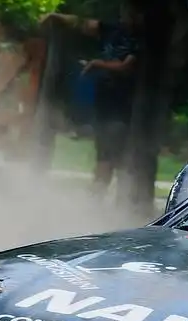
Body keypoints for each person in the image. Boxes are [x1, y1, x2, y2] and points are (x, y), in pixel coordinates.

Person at [40, 2, 144, 190]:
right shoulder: (113, 30)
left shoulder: (139, 40)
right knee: (103, 151)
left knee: (116, 152)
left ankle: (116, 195)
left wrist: (98, 64)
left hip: (122, 107)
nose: (127, 15)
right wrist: (57, 17)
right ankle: (98, 192)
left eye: (132, 12)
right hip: (104, 103)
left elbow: (127, 66)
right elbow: (83, 23)